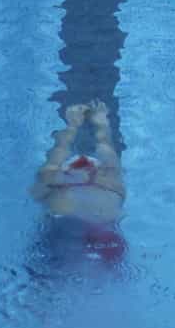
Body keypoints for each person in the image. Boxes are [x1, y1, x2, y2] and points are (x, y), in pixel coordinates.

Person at [30, 99, 126, 262]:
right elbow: (108, 153)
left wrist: (71, 126)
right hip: (104, 240)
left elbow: (55, 157)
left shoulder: (53, 184)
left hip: (60, 236)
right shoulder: (110, 184)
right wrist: (101, 124)